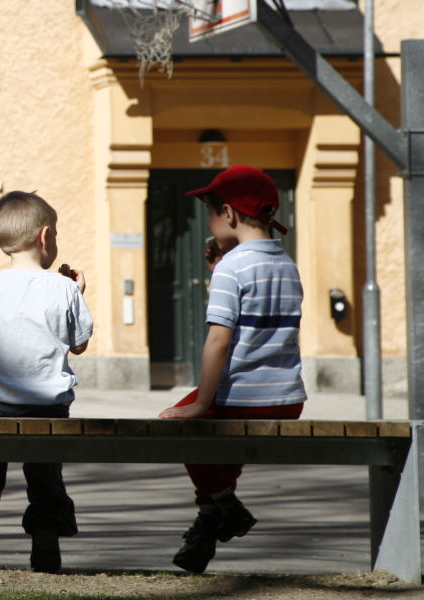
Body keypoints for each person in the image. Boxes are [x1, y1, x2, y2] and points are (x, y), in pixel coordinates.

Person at [159, 165, 306, 574]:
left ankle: (224, 504)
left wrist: (200, 402)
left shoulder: (231, 268)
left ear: (228, 213)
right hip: (288, 399)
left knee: (177, 423)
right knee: (220, 438)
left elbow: (219, 341)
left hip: (244, 398)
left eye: (209, 213)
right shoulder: (287, 263)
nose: (208, 223)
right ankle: (208, 523)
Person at [0, 191, 91, 574]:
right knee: (45, 475)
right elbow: (78, 345)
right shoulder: (64, 288)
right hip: (50, 406)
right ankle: (46, 537)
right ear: (45, 236)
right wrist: (77, 293)